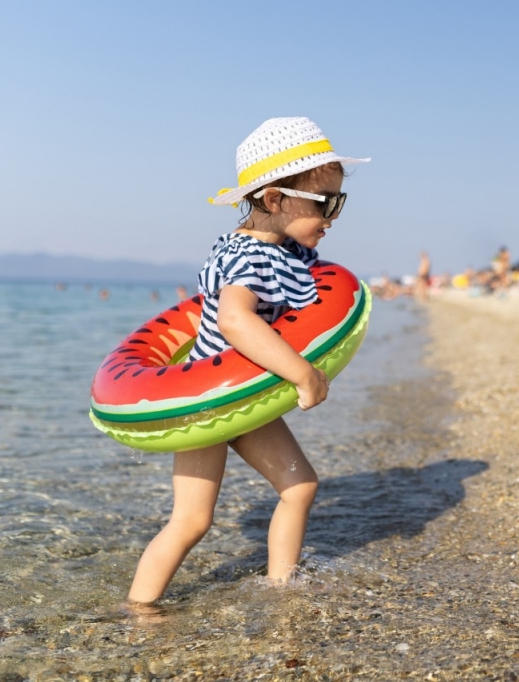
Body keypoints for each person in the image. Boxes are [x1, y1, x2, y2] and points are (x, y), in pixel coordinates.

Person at [126, 117, 369, 605]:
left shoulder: (289, 249)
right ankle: (138, 609)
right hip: (209, 403)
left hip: (246, 395)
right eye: (327, 203)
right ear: (275, 200)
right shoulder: (248, 257)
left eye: (340, 202)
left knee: (299, 486)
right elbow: (236, 321)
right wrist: (302, 372)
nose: (334, 216)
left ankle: (282, 589)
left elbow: (315, 295)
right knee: (192, 520)